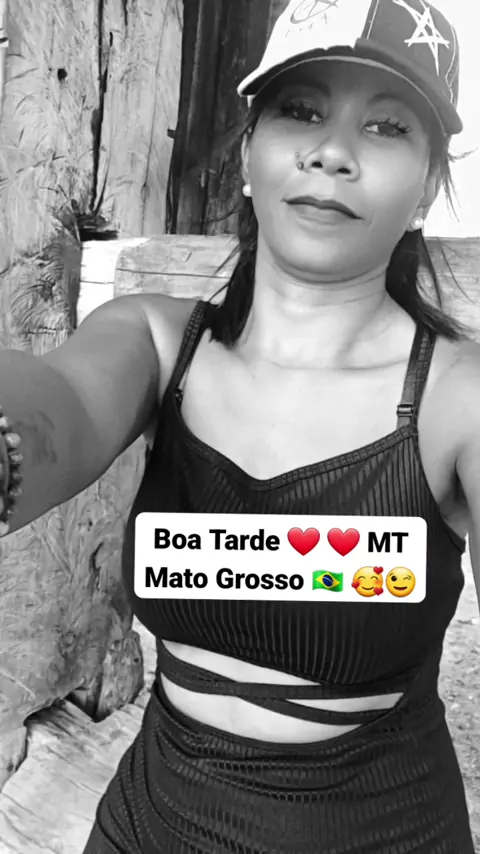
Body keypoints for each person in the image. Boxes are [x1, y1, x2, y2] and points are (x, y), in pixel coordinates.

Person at [0, 0, 478, 850]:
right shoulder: (156, 343)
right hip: (154, 820)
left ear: (426, 190)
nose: (332, 152)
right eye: (302, 111)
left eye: (385, 126)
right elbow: (51, 411)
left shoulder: (457, 398)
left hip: (382, 829)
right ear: (249, 154)